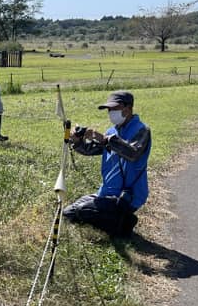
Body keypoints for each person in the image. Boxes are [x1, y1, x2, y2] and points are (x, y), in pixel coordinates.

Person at [63, 90, 151, 236]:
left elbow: (132, 153)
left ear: (128, 108)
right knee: (69, 212)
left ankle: (123, 223)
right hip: (106, 192)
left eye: (114, 109)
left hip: (127, 196)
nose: (111, 113)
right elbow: (91, 150)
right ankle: (115, 218)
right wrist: (78, 142)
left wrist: (105, 139)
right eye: (109, 109)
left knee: (84, 210)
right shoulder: (112, 131)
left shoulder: (142, 130)